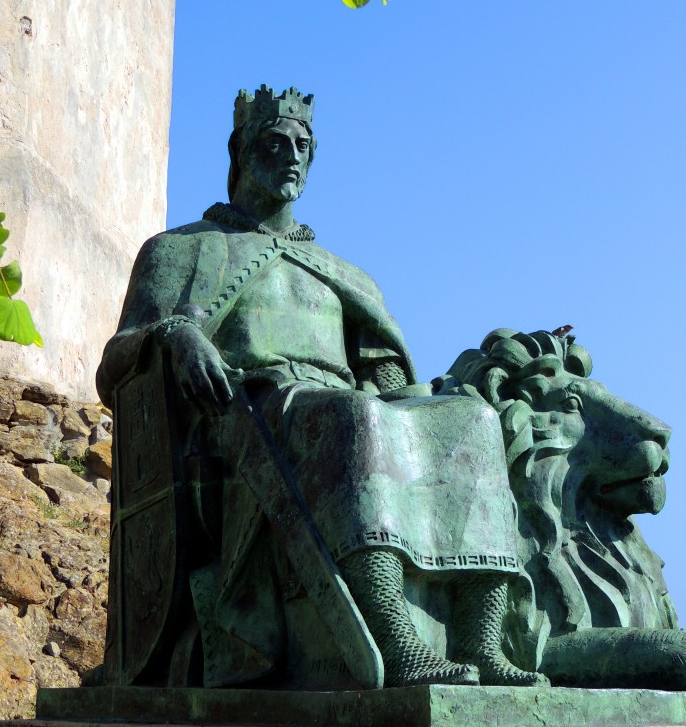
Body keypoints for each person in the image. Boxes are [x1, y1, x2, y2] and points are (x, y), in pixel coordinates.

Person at [97, 86, 545, 689]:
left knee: (470, 421)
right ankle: (397, 643)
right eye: (275, 143)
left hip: (343, 406)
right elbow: (115, 363)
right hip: (254, 408)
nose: (291, 157)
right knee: (353, 414)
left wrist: (425, 403)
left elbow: (387, 378)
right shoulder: (180, 251)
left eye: (303, 147)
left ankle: (480, 641)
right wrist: (175, 333)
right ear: (239, 150)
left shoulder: (342, 273)